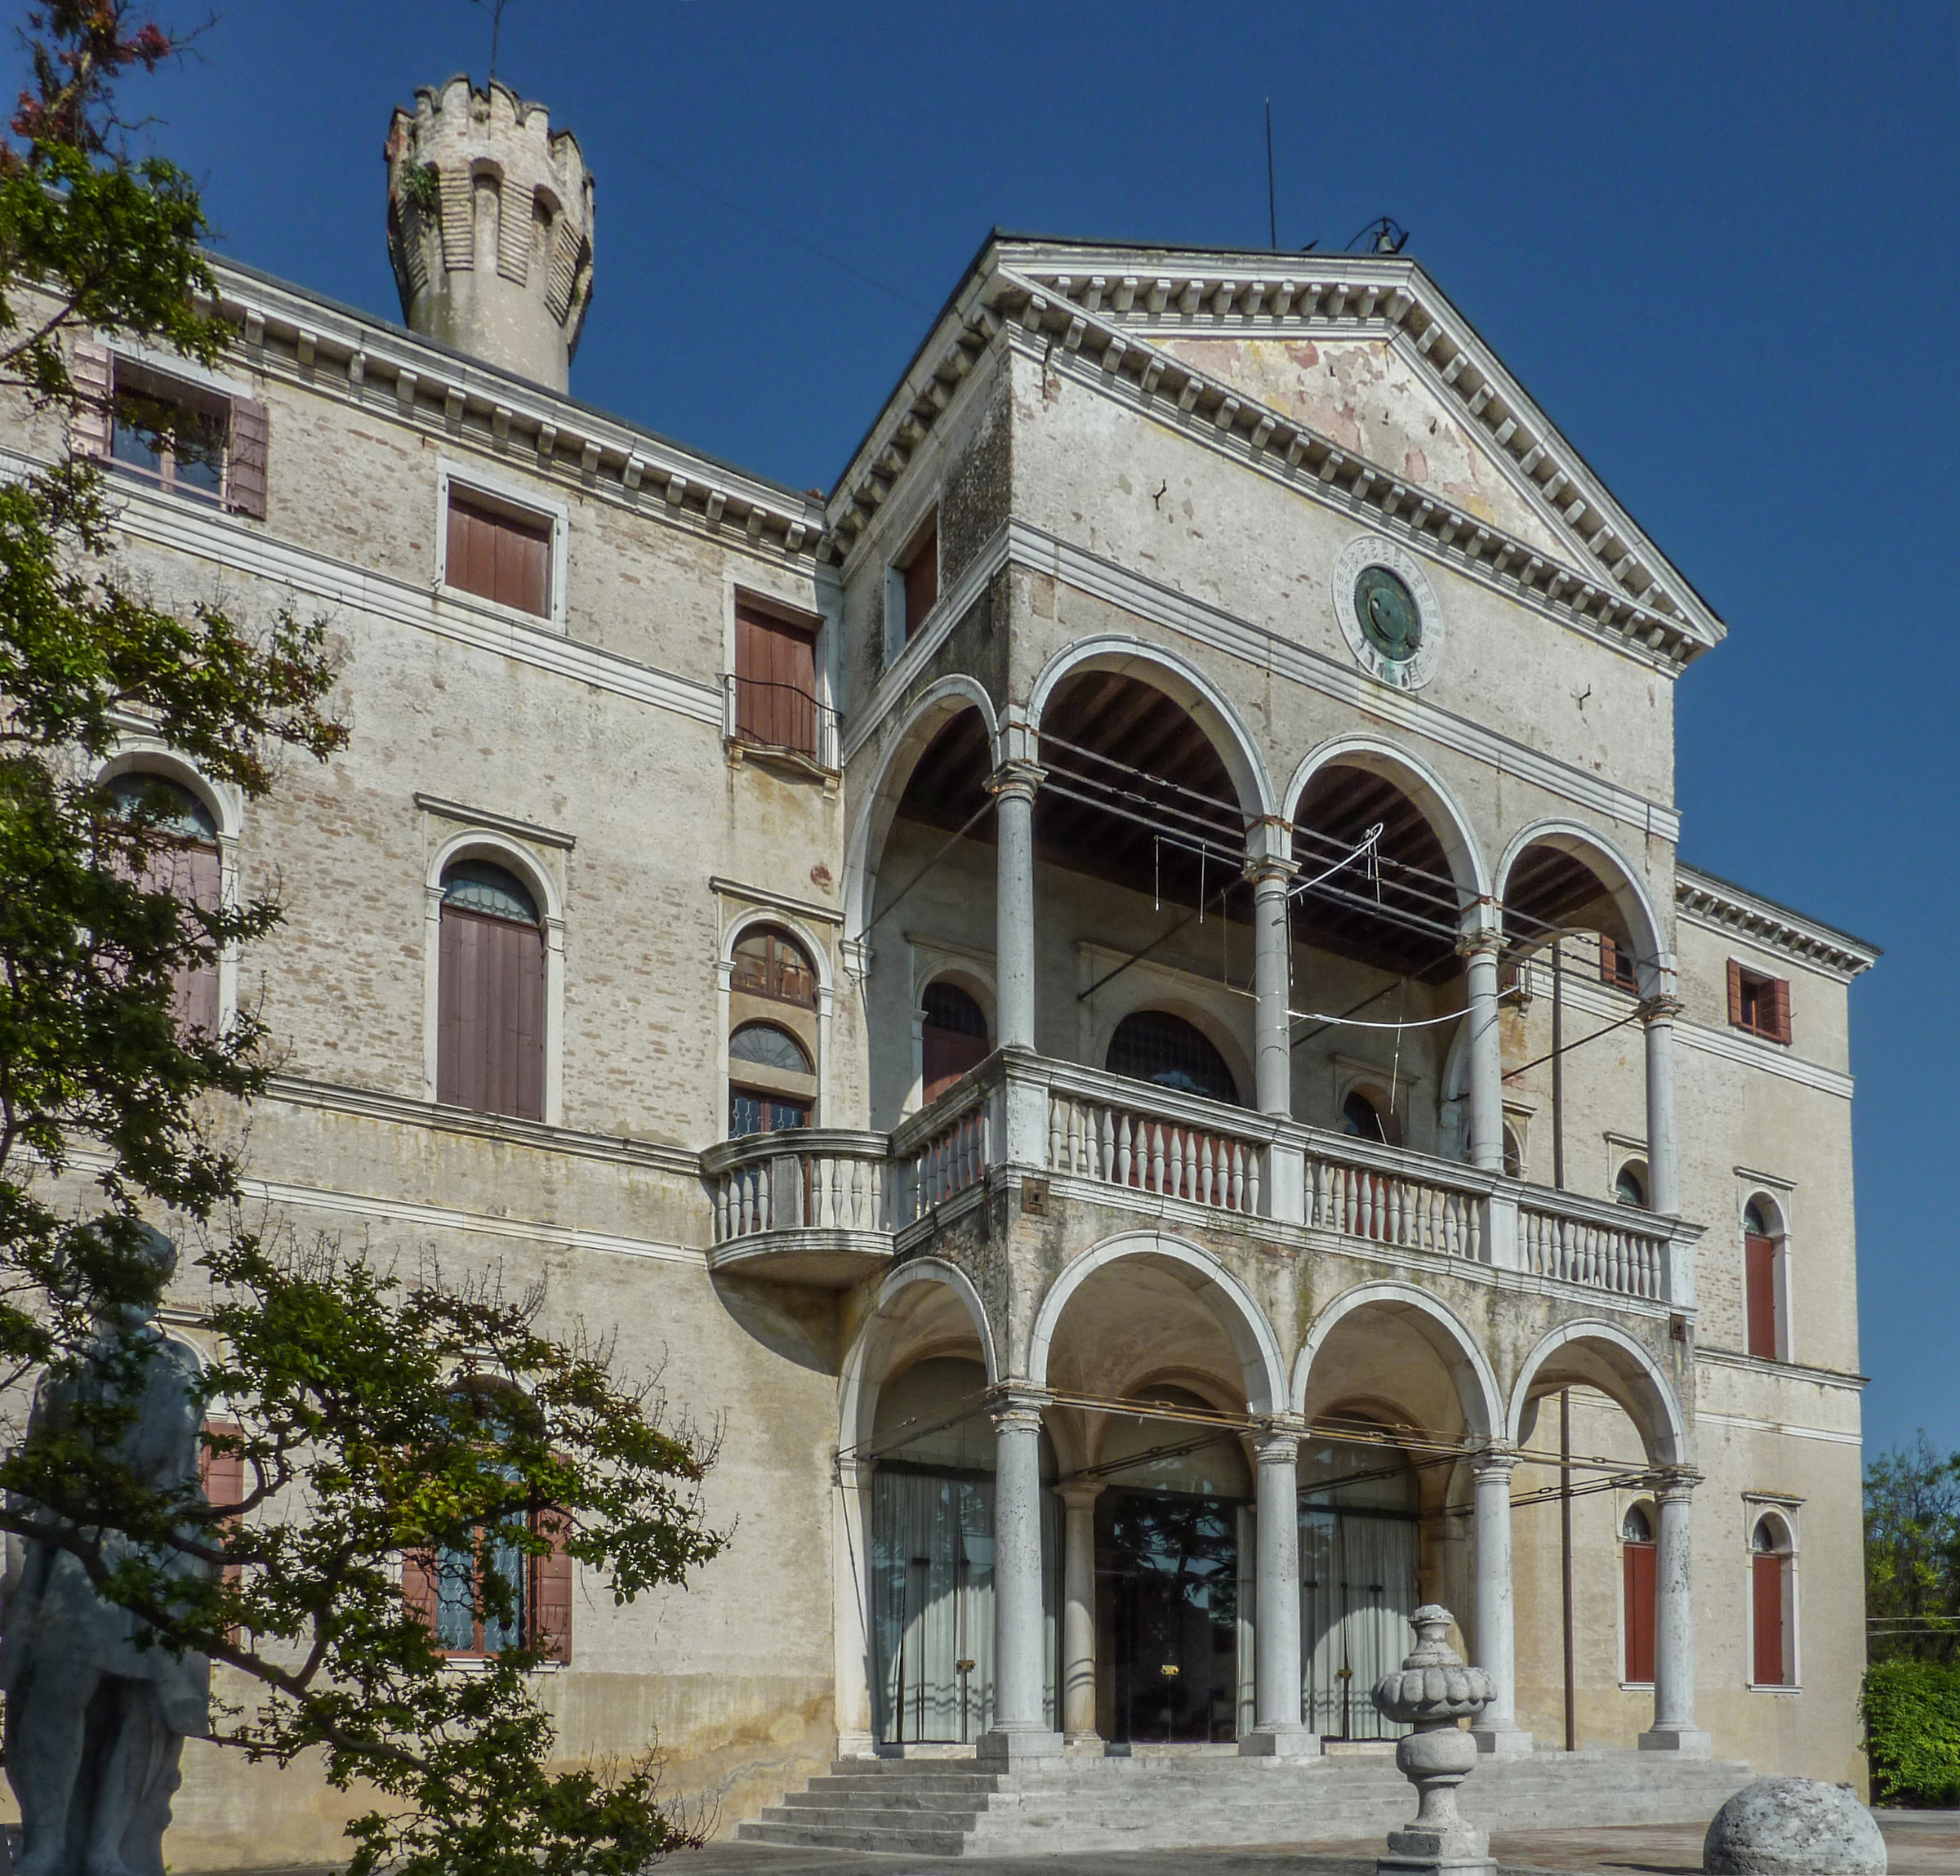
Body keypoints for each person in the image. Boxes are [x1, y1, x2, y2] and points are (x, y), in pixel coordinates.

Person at [1, 1226, 213, 1876]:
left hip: (155, 1544)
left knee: (139, 1702)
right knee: (57, 1691)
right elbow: (41, 1458)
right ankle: (47, 1841)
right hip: (74, 1546)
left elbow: (159, 1459)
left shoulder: (178, 1367)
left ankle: (106, 1847)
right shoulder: (65, 1368)